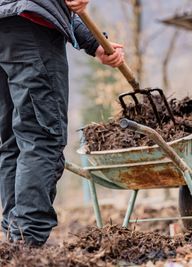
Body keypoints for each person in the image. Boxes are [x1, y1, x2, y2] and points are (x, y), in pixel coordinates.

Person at [0, 0, 124, 246]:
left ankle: (16, 238)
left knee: (14, 142)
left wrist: (94, 42)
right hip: (29, 29)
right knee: (41, 137)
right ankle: (27, 244)